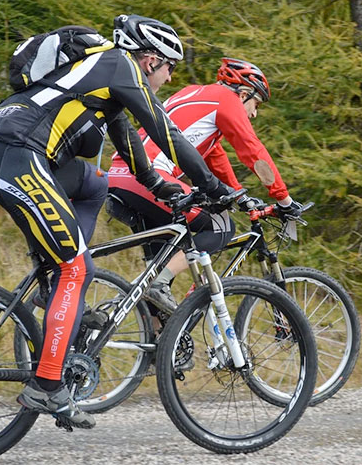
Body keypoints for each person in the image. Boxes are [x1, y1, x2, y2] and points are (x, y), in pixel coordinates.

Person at [0, 14, 232, 429]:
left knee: (95, 183)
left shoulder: (100, 76)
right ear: (150, 61)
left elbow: (125, 136)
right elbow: (164, 130)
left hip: (1, 152)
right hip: (17, 157)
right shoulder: (119, 64)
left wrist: (155, 184)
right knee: (75, 268)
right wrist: (214, 187)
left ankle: (54, 289)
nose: (168, 78)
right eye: (170, 68)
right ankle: (47, 385)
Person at [107, 57, 304, 313]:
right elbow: (254, 153)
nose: (254, 113)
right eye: (255, 104)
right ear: (244, 93)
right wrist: (284, 200)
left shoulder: (194, 94)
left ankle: (155, 344)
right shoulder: (226, 99)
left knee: (158, 270)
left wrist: (238, 196)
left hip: (120, 174)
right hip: (148, 177)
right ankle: (159, 284)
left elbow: (214, 157)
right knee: (221, 225)